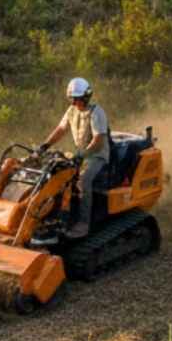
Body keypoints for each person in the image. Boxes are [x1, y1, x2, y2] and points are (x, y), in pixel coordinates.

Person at [39, 77, 110, 238]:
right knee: (54, 171)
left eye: (76, 99)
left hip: (97, 156)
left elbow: (98, 141)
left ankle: (84, 223)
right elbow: (61, 129)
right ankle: (53, 214)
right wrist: (45, 145)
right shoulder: (72, 110)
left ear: (86, 97)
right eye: (71, 99)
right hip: (81, 154)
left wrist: (82, 155)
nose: (73, 103)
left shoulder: (97, 112)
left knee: (83, 180)